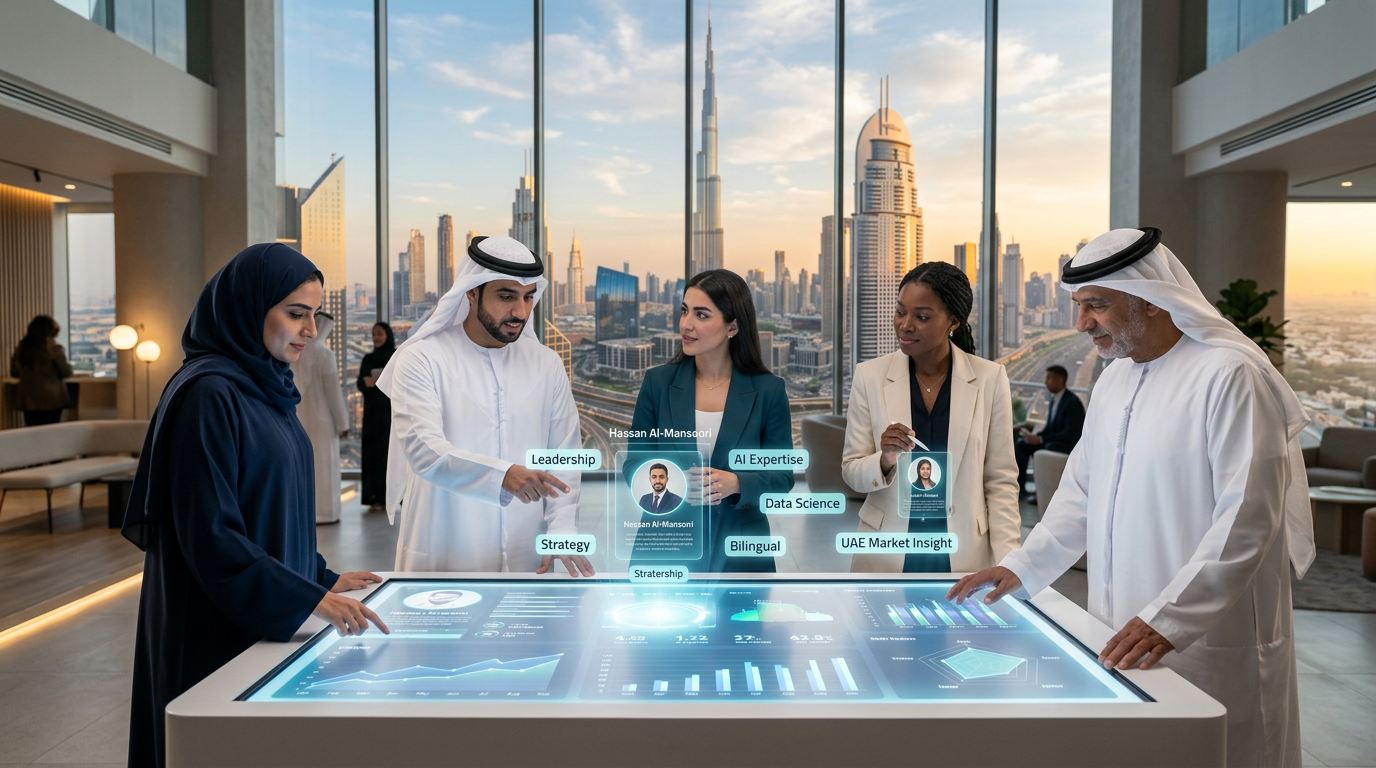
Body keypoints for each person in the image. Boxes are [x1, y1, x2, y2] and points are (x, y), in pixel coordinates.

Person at [949, 228, 1314, 768]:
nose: (1081, 323)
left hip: (1206, 632)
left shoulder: (1229, 375)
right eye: (1078, 306)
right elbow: (1079, 494)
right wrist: (1021, 567)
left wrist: (1169, 618)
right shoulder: (1115, 380)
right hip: (1120, 625)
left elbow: (1247, 517)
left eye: (1096, 305)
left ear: (1151, 301)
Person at [122, 243, 388, 768]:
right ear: (248, 306)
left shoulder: (267, 387)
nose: (310, 331)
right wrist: (306, 598)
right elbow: (211, 533)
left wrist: (318, 577)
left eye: (315, 315)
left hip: (256, 617)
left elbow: (268, 506)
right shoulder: (208, 394)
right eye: (295, 314)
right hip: (212, 628)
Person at [377, 235, 592, 577]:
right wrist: (503, 475)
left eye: (528, 297)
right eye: (506, 296)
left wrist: (562, 528)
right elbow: (424, 450)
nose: (520, 312)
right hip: (445, 549)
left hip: (528, 553)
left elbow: (564, 455)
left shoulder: (546, 363)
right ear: (472, 292)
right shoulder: (421, 359)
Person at [843, 261, 1021, 573]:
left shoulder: (990, 379)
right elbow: (852, 472)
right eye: (900, 312)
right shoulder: (870, 376)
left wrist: (1010, 563)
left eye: (922, 316)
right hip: (887, 551)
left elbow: (1001, 481)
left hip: (962, 552)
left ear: (953, 320)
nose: (905, 325)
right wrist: (884, 459)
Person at [630, 269, 793, 573]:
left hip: (741, 548)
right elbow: (634, 464)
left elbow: (782, 476)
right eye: (684, 311)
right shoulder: (657, 383)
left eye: (702, 315)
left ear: (732, 326)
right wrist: (673, 484)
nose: (686, 324)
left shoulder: (769, 390)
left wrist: (737, 483)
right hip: (666, 544)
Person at [291, 311, 349, 524]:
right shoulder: (325, 354)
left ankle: (306, 513)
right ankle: (326, 512)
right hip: (324, 421)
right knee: (324, 467)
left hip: (300, 418)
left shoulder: (296, 350)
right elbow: (333, 393)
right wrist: (343, 423)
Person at [1014, 364, 1085, 498]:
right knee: (1023, 444)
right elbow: (1050, 428)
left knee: (1048, 446)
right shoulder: (1055, 399)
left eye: (1049, 378)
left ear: (1059, 381)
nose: (1046, 382)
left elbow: (1070, 434)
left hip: (1066, 445)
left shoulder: (1072, 402)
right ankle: (1021, 491)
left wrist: (1041, 440)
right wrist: (1035, 437)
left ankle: (1043, 493)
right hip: (1054, 440)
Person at [357, 322, 396, 512]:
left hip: (390, 415)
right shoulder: (368, 358)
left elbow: (398, 382)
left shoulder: (395, 357)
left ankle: (391, 498)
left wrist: (375, 381)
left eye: (380, 333)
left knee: (389, 456)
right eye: (374, 334)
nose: (376, 337)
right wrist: (371, 383)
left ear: (387, 335)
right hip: (372, 415)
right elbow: (361, 383)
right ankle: (374, 498)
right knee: (373, 456)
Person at [9, 315, 73, 426]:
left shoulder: (22, 348)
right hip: (52, 399)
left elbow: (14, 372)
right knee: (51, 431)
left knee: (32, 432)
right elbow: (66, 372)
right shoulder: (54, 349)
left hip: (28, 399)